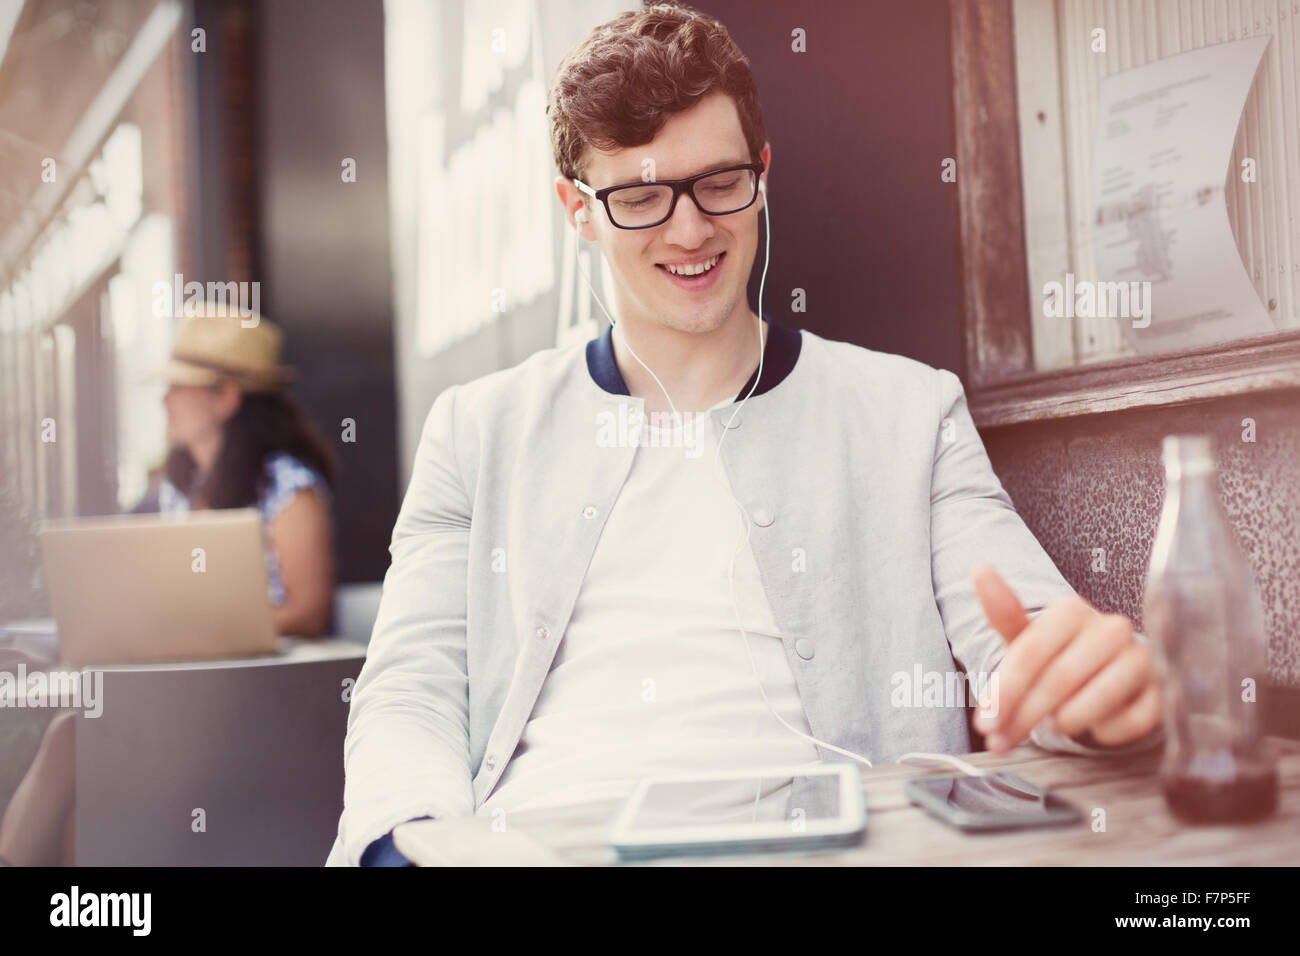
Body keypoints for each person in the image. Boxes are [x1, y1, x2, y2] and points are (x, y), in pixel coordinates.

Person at [327, 3, 1163, 867]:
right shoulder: (477, 432)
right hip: (543, 845)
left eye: (719, 183)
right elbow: (412, 689)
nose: (690, 230)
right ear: (577, 211)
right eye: (641, 198)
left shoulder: (909, 414)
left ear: (762, 173)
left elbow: (1030, 644)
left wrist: (1097, 703)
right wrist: (406, 845)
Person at [0, 304, 337, 866]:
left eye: (178, 388)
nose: (164, 401)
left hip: (263, 699)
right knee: (78, 750)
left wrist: (202, 627)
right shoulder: (184, 492)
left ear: (225, 397)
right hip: (190, 688)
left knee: (76, 740)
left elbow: (309, 611)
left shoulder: (290, 488)